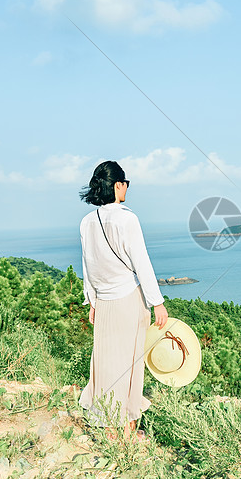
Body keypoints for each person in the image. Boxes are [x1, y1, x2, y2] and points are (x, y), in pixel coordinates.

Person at [78, 160, 168, 440]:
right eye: (125, 183)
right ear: (117, 185)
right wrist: (157, 301)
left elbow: (88, 265)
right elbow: (142, 262)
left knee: (105, 363)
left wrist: (91, 299)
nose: (127, 187)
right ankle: (129, 425)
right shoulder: (127, 218)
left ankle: (108, 426)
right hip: (128, 299)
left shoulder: (87, 222)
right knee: (130, 363)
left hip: (103, 301)